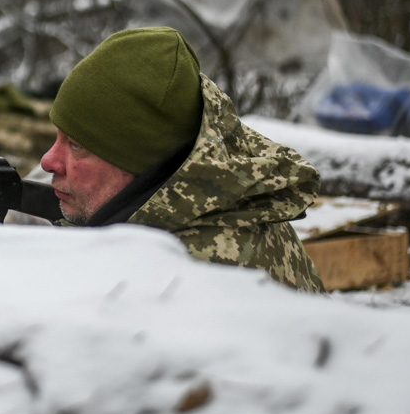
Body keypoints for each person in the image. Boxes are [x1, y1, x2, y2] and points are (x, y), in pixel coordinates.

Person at [40, 26, 325, 292]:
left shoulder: (183, 277)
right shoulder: (199, 210)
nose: (48, 161)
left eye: (76, 145)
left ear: (139, 161)